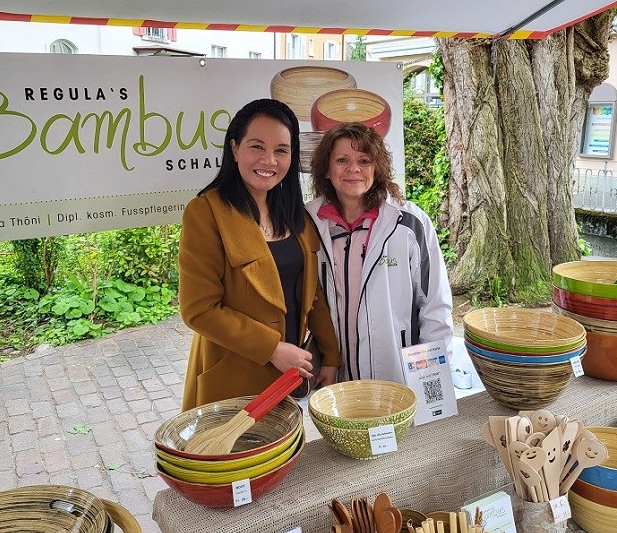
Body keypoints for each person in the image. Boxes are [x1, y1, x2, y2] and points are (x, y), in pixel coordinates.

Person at [179, 99, 341, 410]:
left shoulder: (295, 214)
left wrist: (330, 356)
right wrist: (273, 349)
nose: (269, 160)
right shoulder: (206, 212)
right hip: (232, 376)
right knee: (234, 443)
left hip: (289, 376)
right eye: (257, 146)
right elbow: (199, 310)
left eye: (281, 150)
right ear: (234, 148)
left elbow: (313, 295)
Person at [307, 122, 454, 385]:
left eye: (364, 160)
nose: (353, 169)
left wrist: (429, 380)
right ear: (326, 170)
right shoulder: (309, 223)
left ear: (377, 168)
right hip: (333, 379)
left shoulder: (408, 223)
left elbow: (435, 307)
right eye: (342, 160)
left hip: (396, 376)